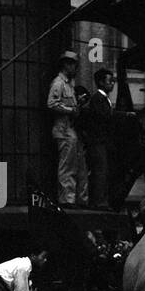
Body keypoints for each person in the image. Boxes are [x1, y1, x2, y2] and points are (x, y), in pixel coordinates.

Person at [48, 50, 88, 206]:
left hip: (69, 130)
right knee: (67, 167)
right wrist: (71, 110)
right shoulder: (58, 83)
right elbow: (51, 104)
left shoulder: (68, 84)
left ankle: (74, 199)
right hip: (64, 130)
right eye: (74, 65)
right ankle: (67, 200)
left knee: (76, 167)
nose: (76, 69)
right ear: (66, 65)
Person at [82, 68, 115, 209]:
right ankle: (98, 202)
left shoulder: (102, 99)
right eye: (110, 81)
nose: (112, 84)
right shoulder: (98, 99)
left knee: (102, 171)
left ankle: (100, 200)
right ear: (101, 82)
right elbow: (105, 117)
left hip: (100, 141)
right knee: (100, 171)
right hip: (98, 141)